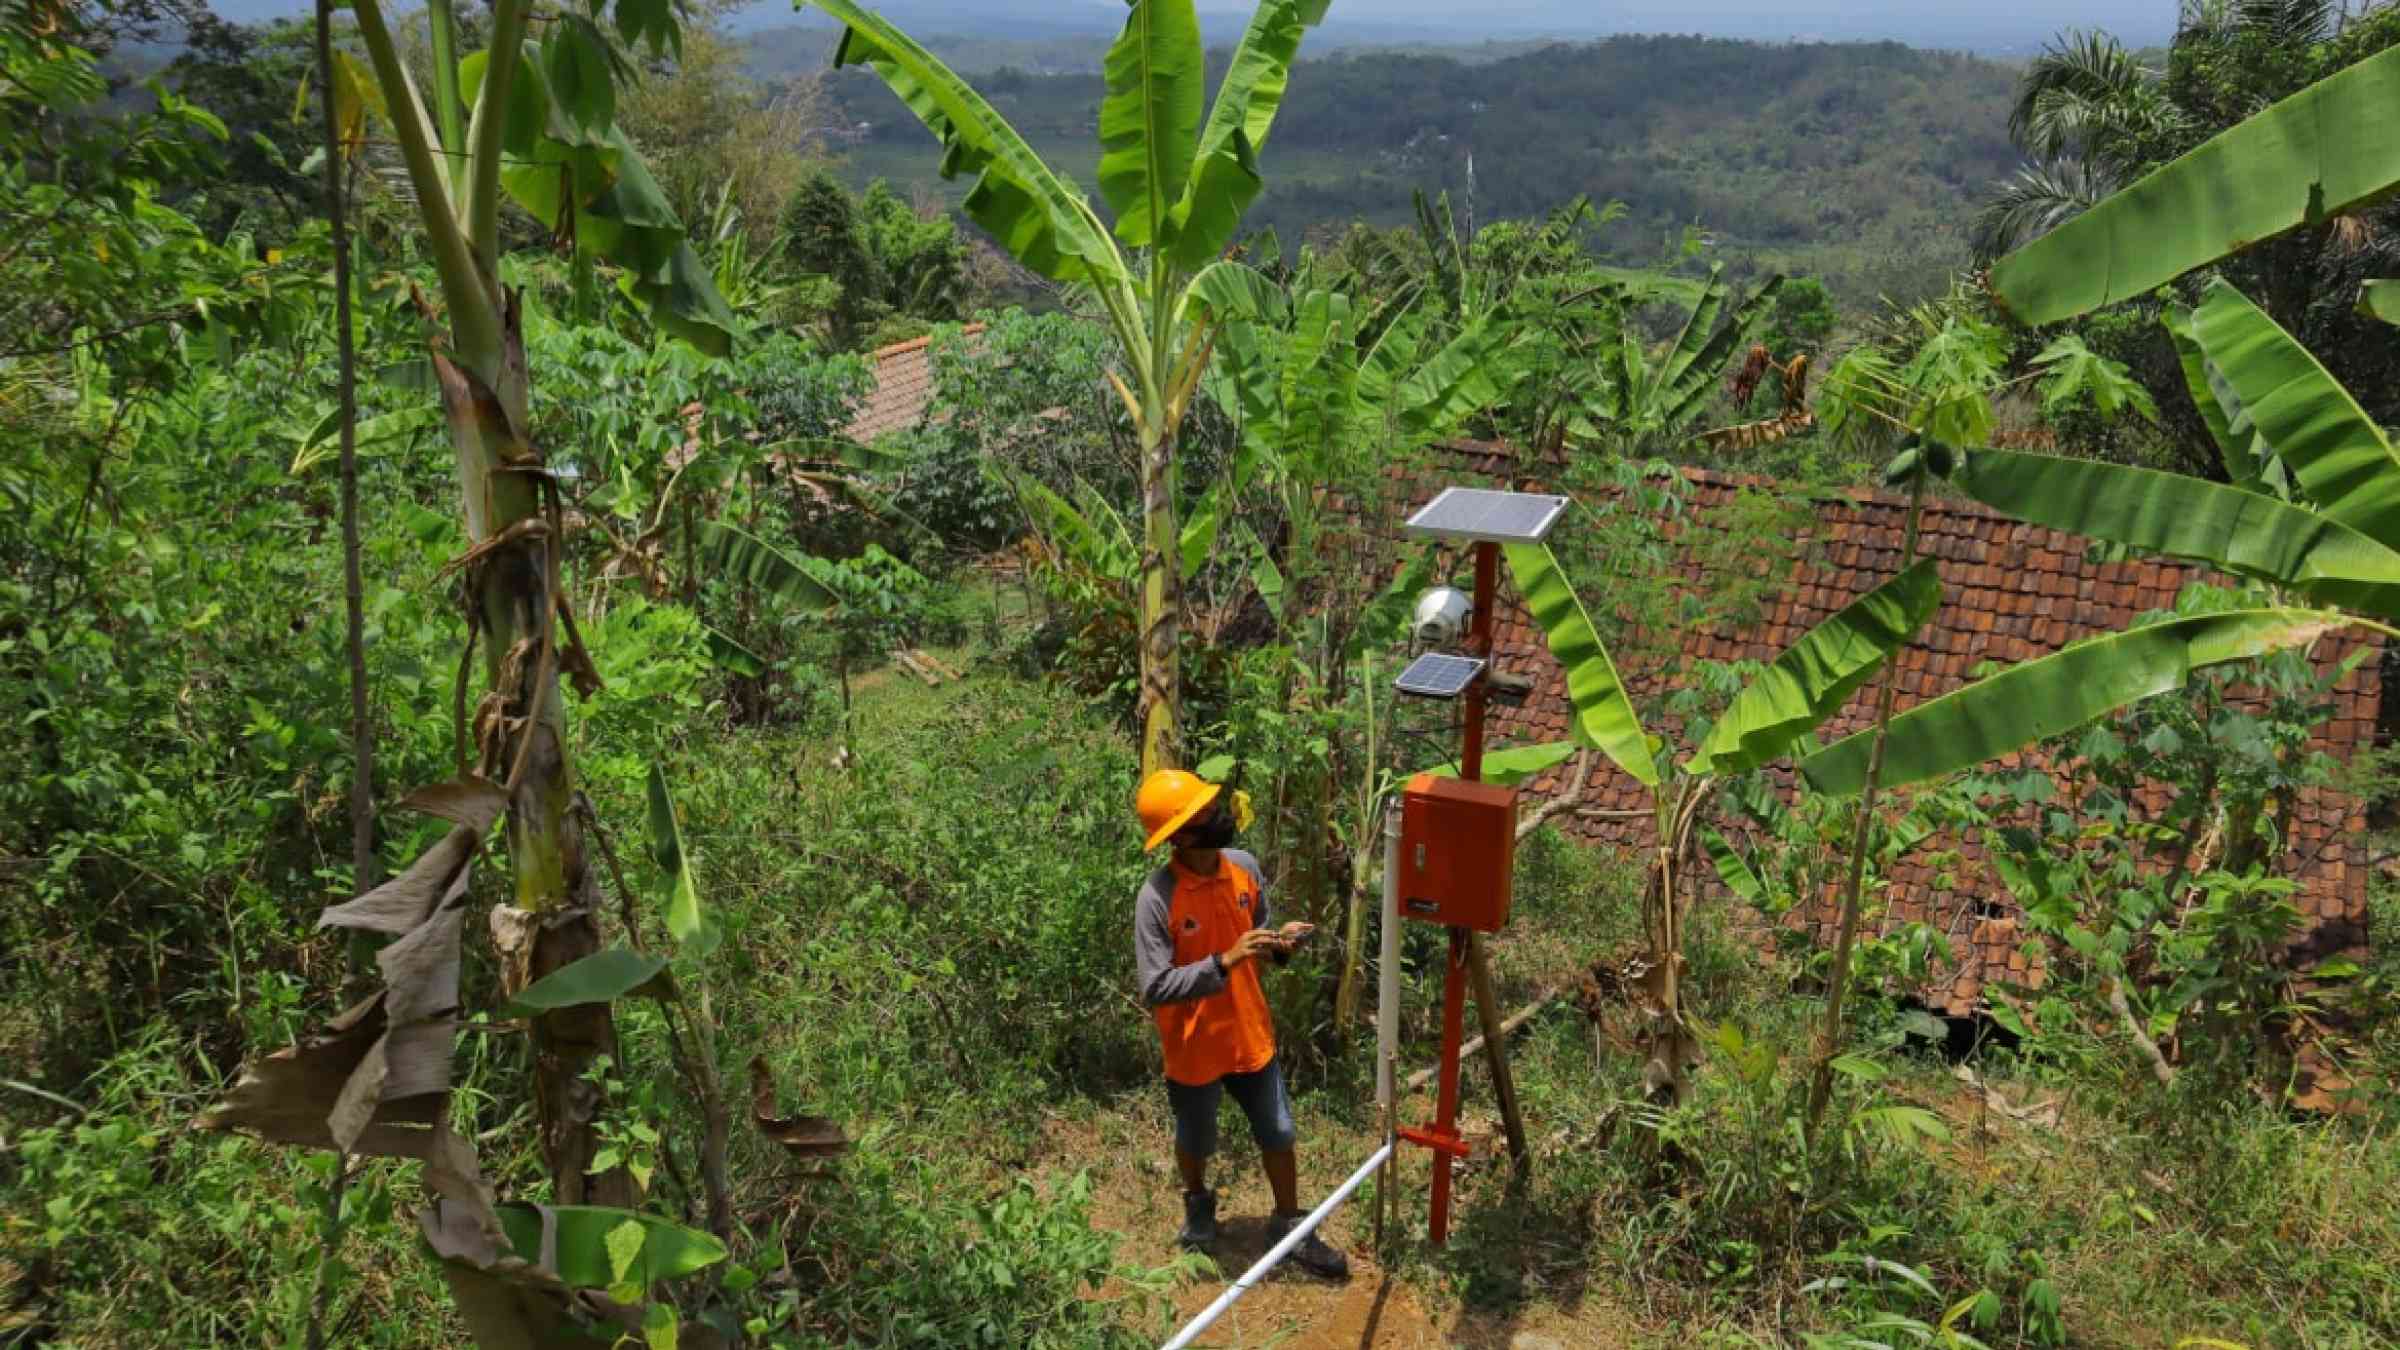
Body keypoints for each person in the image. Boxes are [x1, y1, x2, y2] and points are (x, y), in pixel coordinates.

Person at [1132, 768, 1351, 1280]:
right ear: (1182, 836)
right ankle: (1198, 1203)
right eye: (1206, 815)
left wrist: (1278, 945)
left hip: (1250, 1032)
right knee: (1197, 1137)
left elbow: (1254, 936)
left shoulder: (1245, 868)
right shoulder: (1158, 898)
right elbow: (1155, 986)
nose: (1220, 817)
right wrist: (1223, 962)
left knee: (1278, 1131)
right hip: (1194, 1047)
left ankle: (1291, 1225)